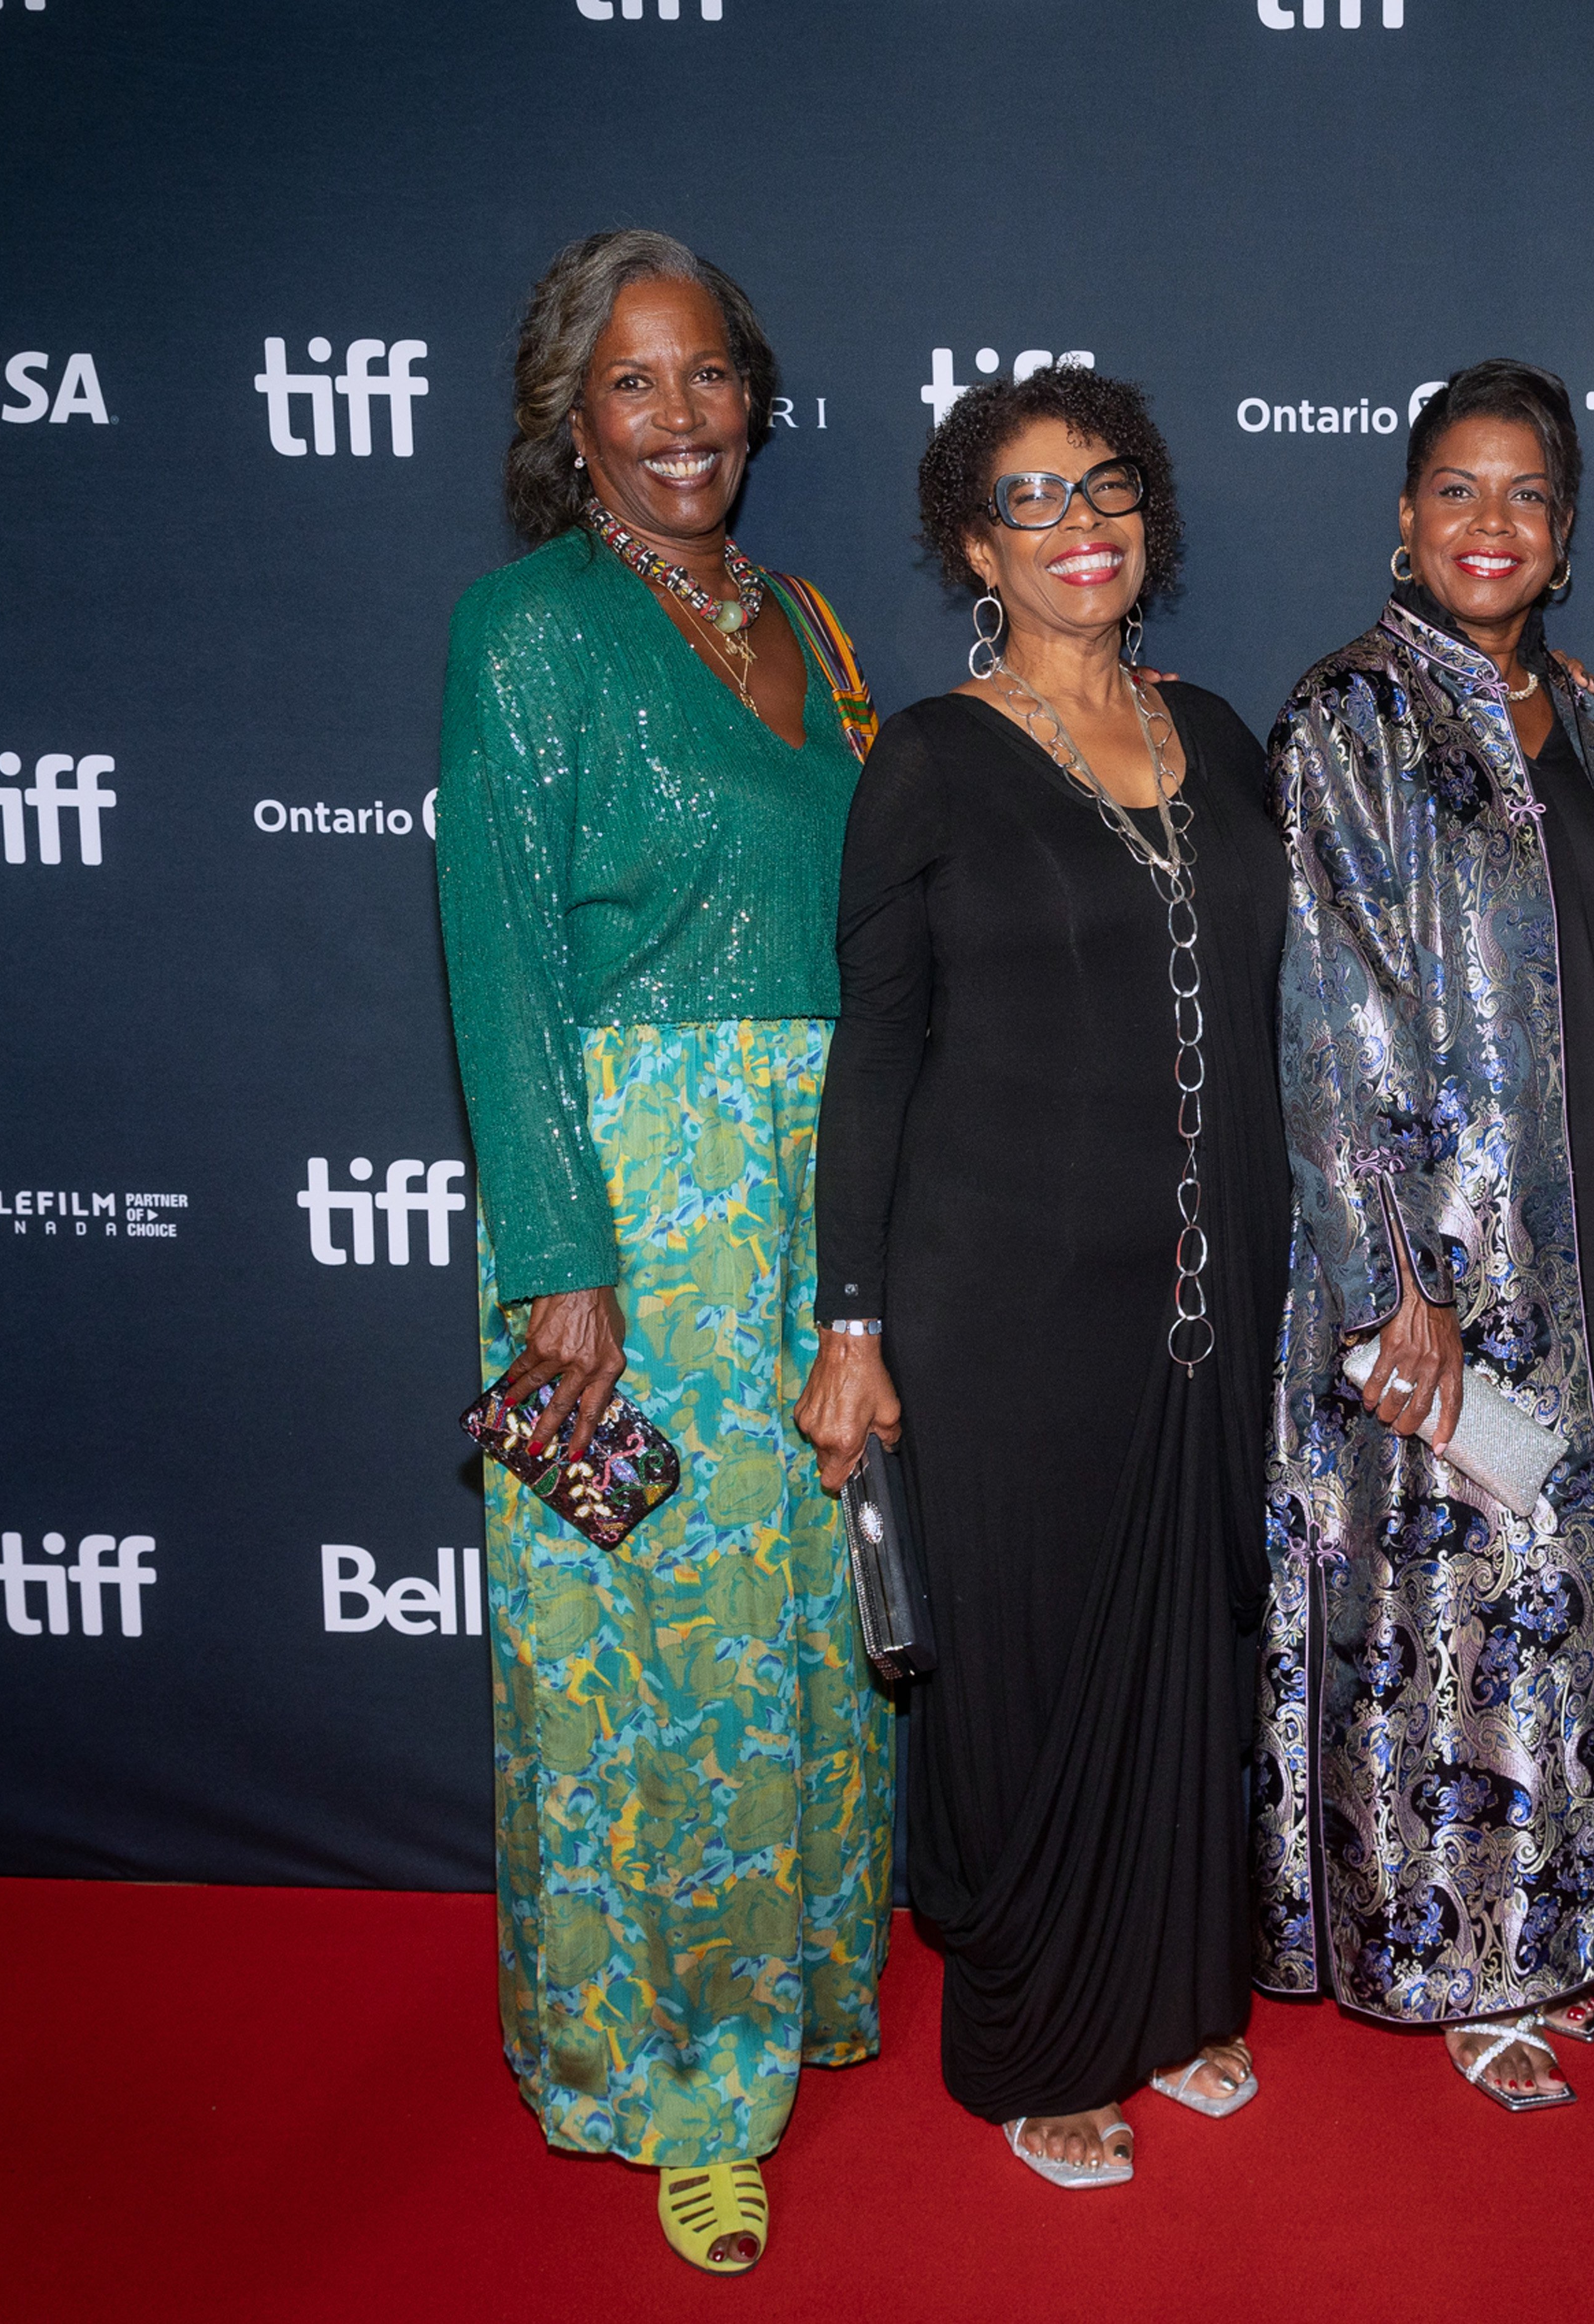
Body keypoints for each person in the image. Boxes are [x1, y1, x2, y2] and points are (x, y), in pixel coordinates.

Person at [436, 229, 888, 2276]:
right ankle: (673, 2084)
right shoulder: (525, 632)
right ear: (572, 421)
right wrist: (563, 1262)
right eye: (636, 385)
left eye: (709, 375)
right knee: (652, 1667)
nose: (684, 415)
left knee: (797, 1618)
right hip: (634, 1198)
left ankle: (791, 1995)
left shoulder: (805, 617)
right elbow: (503, 972)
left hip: (815, 1203)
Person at [793, 368, 1286, 2191]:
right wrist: (853, 1322)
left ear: (1146, 516)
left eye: (1106, 489)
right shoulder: (928, 753)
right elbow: (877, 1052)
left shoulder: (1221, 736)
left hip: (1213, 1286)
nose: (1078, 523)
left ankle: (1170, 1997)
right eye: (1029, 500)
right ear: (970, 546)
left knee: (1188, 1644)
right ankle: (1032, 2047)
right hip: (995, 1297)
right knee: (1028, 1665)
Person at [1257, 359, 1594, 2110]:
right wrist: (1385, 1283)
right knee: (1451, 1596)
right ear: (1403, 516)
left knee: (1565, 1590)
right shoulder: (1350, 715)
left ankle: (1562, 1925)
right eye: (1457, 491)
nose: (1489, 525)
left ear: (1565, 536)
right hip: (1444, 1251)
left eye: (1526, 498)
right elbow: (1331, 1009)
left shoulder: (1579, 710)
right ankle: (1458, 1956)